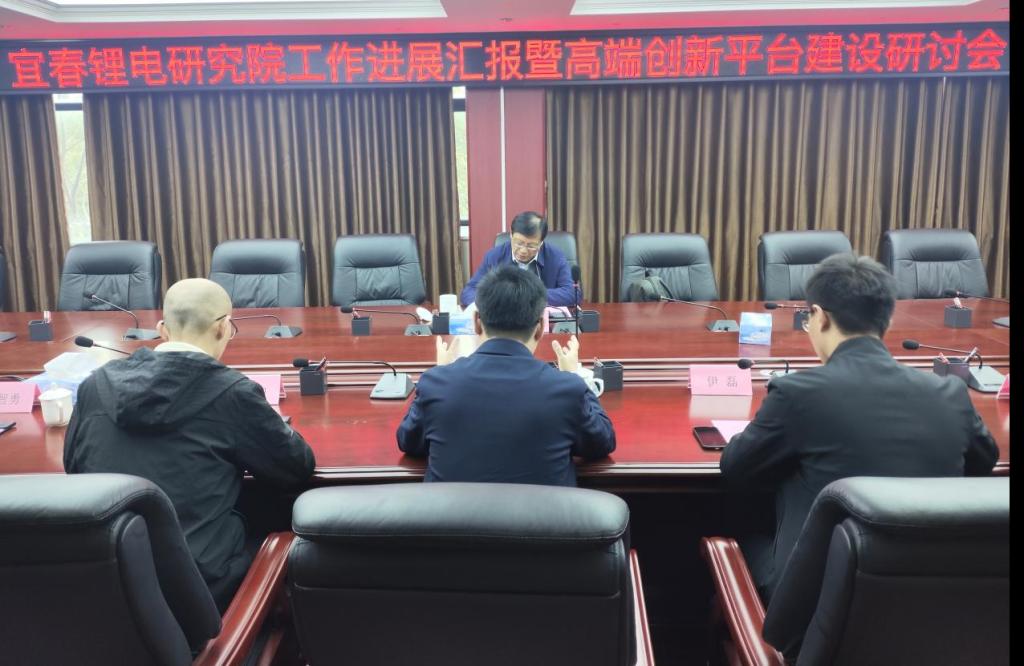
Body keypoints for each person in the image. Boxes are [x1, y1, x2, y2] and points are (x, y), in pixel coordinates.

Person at [720, 253, 998, 603]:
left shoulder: (798, 394)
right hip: (931, 604)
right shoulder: (949, 393)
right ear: (888, 320)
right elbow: (983, 465)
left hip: (813, 610)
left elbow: (736, 468)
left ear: (819, 317)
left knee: (739, 526)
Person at [64, 278, 315, 611]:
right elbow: (296, 467)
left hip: (107, 583)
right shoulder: (231, 392)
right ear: (224, 327)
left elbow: (74, 469)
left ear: (162, 329)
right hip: (199, 593)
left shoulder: (95, 385)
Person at [398, 266, 615, 486]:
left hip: (454, 510)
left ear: (476, 322)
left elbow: (408, 442)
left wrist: (441, 372)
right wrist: (574, 375)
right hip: (540, 510)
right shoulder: (566, 389)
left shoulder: (436, 383)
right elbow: (603, 442)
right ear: (541, 326)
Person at [460, 211, 575, 307]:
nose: (523, 251)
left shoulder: (555, 257)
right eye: (518, 243)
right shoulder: (494, 256)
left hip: (541, 320)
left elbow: (572, 293)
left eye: (531, 246)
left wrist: (527, 295)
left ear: (541, 242)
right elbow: (468, 292)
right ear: (511, 234)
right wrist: (496, 298)